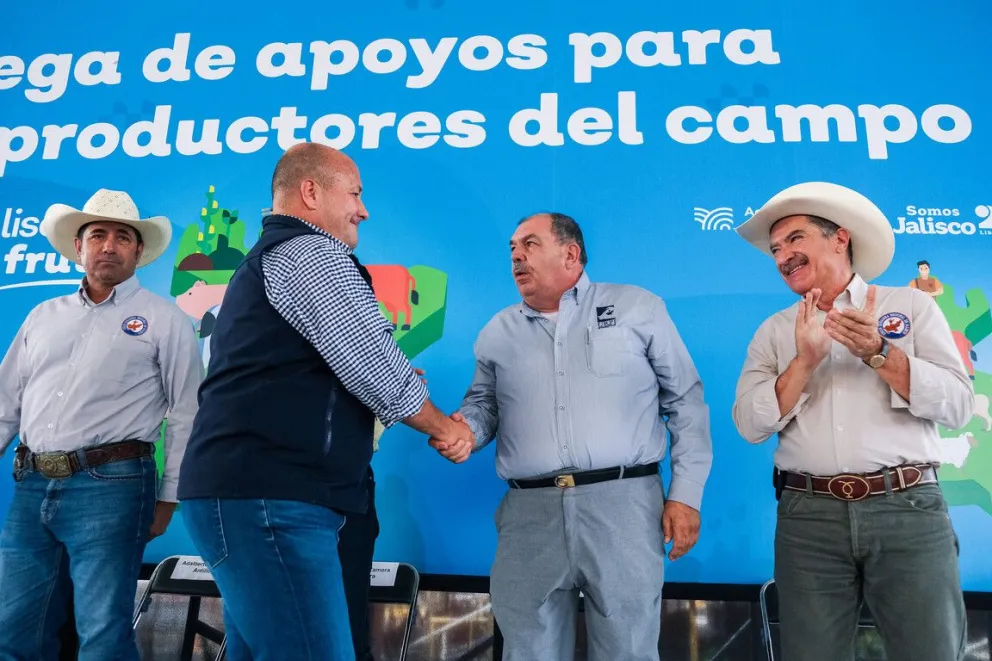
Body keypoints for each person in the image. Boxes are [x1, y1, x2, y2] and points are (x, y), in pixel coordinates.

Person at [177, 143, 473, 661]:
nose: (364, 209)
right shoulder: (310, 252)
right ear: (310, 192)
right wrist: (441, 426)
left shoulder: (274, 258)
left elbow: (318, 371)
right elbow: (372, 363)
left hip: (255, 495)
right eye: (355, 193)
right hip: (272, 501)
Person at [433, 212, 713, 661]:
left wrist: (686, 495)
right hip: (529, 514)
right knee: (527, 652)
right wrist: (464, 431)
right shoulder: (496, 332)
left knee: (629, 652)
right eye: (511, 249)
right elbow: (484, 408)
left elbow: (686, 401)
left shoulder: (637, 307)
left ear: (571, 253)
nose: (516, 257)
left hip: (624, 505)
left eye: (529, 244)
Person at [731, 181, 974, 661]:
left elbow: (959, 405)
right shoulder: (775, 331)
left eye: (795, 239)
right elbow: (749, 425)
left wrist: (880, 354)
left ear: (840, 237)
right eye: (776, 249)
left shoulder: (911, 307)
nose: (783, 256)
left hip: (907, 509)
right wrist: (803, 363)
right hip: (808, 517)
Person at [0, 188, 204, 659]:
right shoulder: (42, 316)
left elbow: (188, 413)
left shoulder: (165, 319)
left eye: (121, 237)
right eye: (97, 235)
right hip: (30, 483)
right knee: (13, 632)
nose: (108, 245)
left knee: (102, 636)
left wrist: (168, 498)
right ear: (79, 247)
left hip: (111, 486)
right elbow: (7, 401)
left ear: (138, 251)